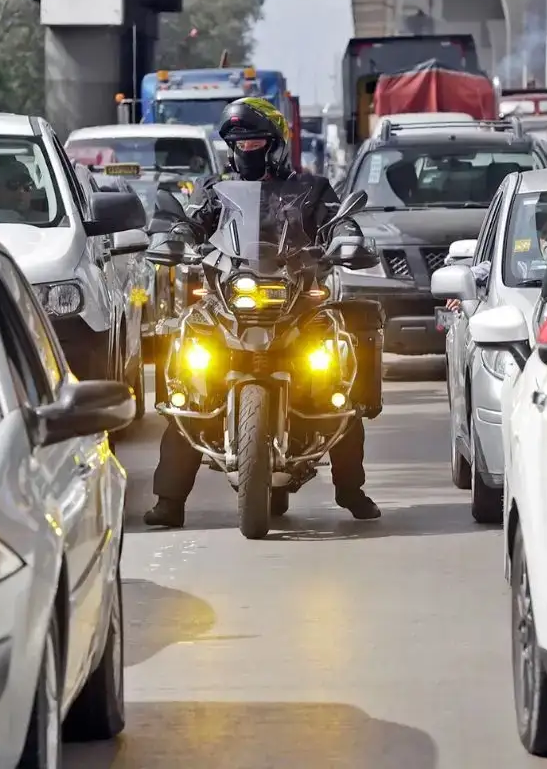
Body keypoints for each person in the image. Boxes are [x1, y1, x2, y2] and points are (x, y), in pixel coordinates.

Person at [143, 97, 381, 529]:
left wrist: (347, 238)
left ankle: (350, 489)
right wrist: (175, 235)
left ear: (274, 144)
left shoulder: (312, 190)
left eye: (254, 141)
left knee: (340, 392)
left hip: (296, 300)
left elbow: (336, 221)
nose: (246, 150)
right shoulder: (215, 192)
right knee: (186, 387)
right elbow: (193, 223)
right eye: (239, 143)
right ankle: (169, 500)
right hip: (230, 298)